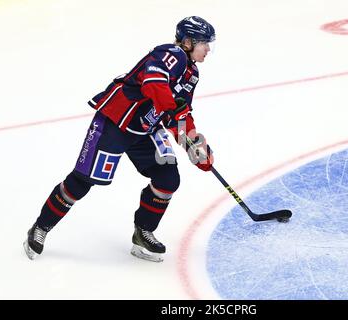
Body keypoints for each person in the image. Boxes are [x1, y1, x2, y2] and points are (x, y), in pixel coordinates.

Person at [23, 16, 216, 262]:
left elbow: (179, 112)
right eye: (204, 43)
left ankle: (142, 232)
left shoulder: (192, 74)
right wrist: (172, 108)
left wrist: (193, 142)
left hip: (146, 129)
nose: (208, 49)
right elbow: (153, 82)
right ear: (188, 42)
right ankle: (41, 227)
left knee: (167, 178)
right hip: (116, 123)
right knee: (82, 182)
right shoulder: (172, 54)